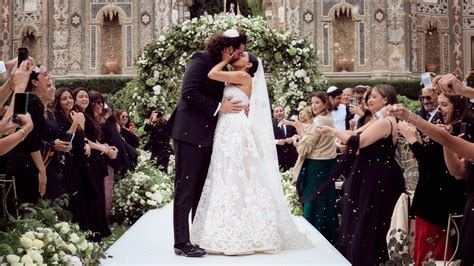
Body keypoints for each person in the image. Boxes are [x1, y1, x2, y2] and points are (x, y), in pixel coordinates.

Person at [190, 49, 313, 255]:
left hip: (236, 129)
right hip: (226, 126)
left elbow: (211, 74)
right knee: (226, 174)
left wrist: (225, 59)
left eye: (243, 56)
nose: (239, 55)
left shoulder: (244, 76)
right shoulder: (235, 77)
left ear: (248, 66)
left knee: (235, 173)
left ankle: (246, 230)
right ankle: (227, 224)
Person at [164, 28, 248, 257]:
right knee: (185, 188)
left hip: (209, 137)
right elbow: (188, 92)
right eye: (239, 51)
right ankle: (181, 242)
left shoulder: (223, 67)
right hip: (189, 134)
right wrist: (221, 107)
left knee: (201, 189)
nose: (239, 56)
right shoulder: (200, 59)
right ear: (229, 48)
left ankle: (197, 236)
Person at [317, 84, 405, 265]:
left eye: (374, 96)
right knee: (362, 220)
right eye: (369, 96)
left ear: (386, 100)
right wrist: (338, 135)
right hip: (369, 173)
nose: (369, 100)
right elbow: (354, 133)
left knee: (371, 222)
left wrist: (333, 131)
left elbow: (359, 141)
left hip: (378, 178)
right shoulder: (377, 119)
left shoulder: (385, 122)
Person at [292, 91, 339, 244]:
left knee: (313, 198)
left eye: (317, 102)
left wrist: (299, 131)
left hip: (317, 164)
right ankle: (328, 233)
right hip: (328, 162)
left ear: (325, 103)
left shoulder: (319, 120)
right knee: (326, 199)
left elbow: (306, 147)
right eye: (312, 103)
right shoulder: (328, 118)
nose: (313, 106)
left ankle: (312, 232)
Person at [272, 106, 298, 172]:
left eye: (281, 111)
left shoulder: (292, 122)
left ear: (284, 112)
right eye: (276, 111)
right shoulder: (270, 125)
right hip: (278, 157)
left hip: (292, 156)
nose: (279, 113)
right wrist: (277, 141)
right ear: (273, 114)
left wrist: (292, 139)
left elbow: (298, 134)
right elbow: (265, 139)